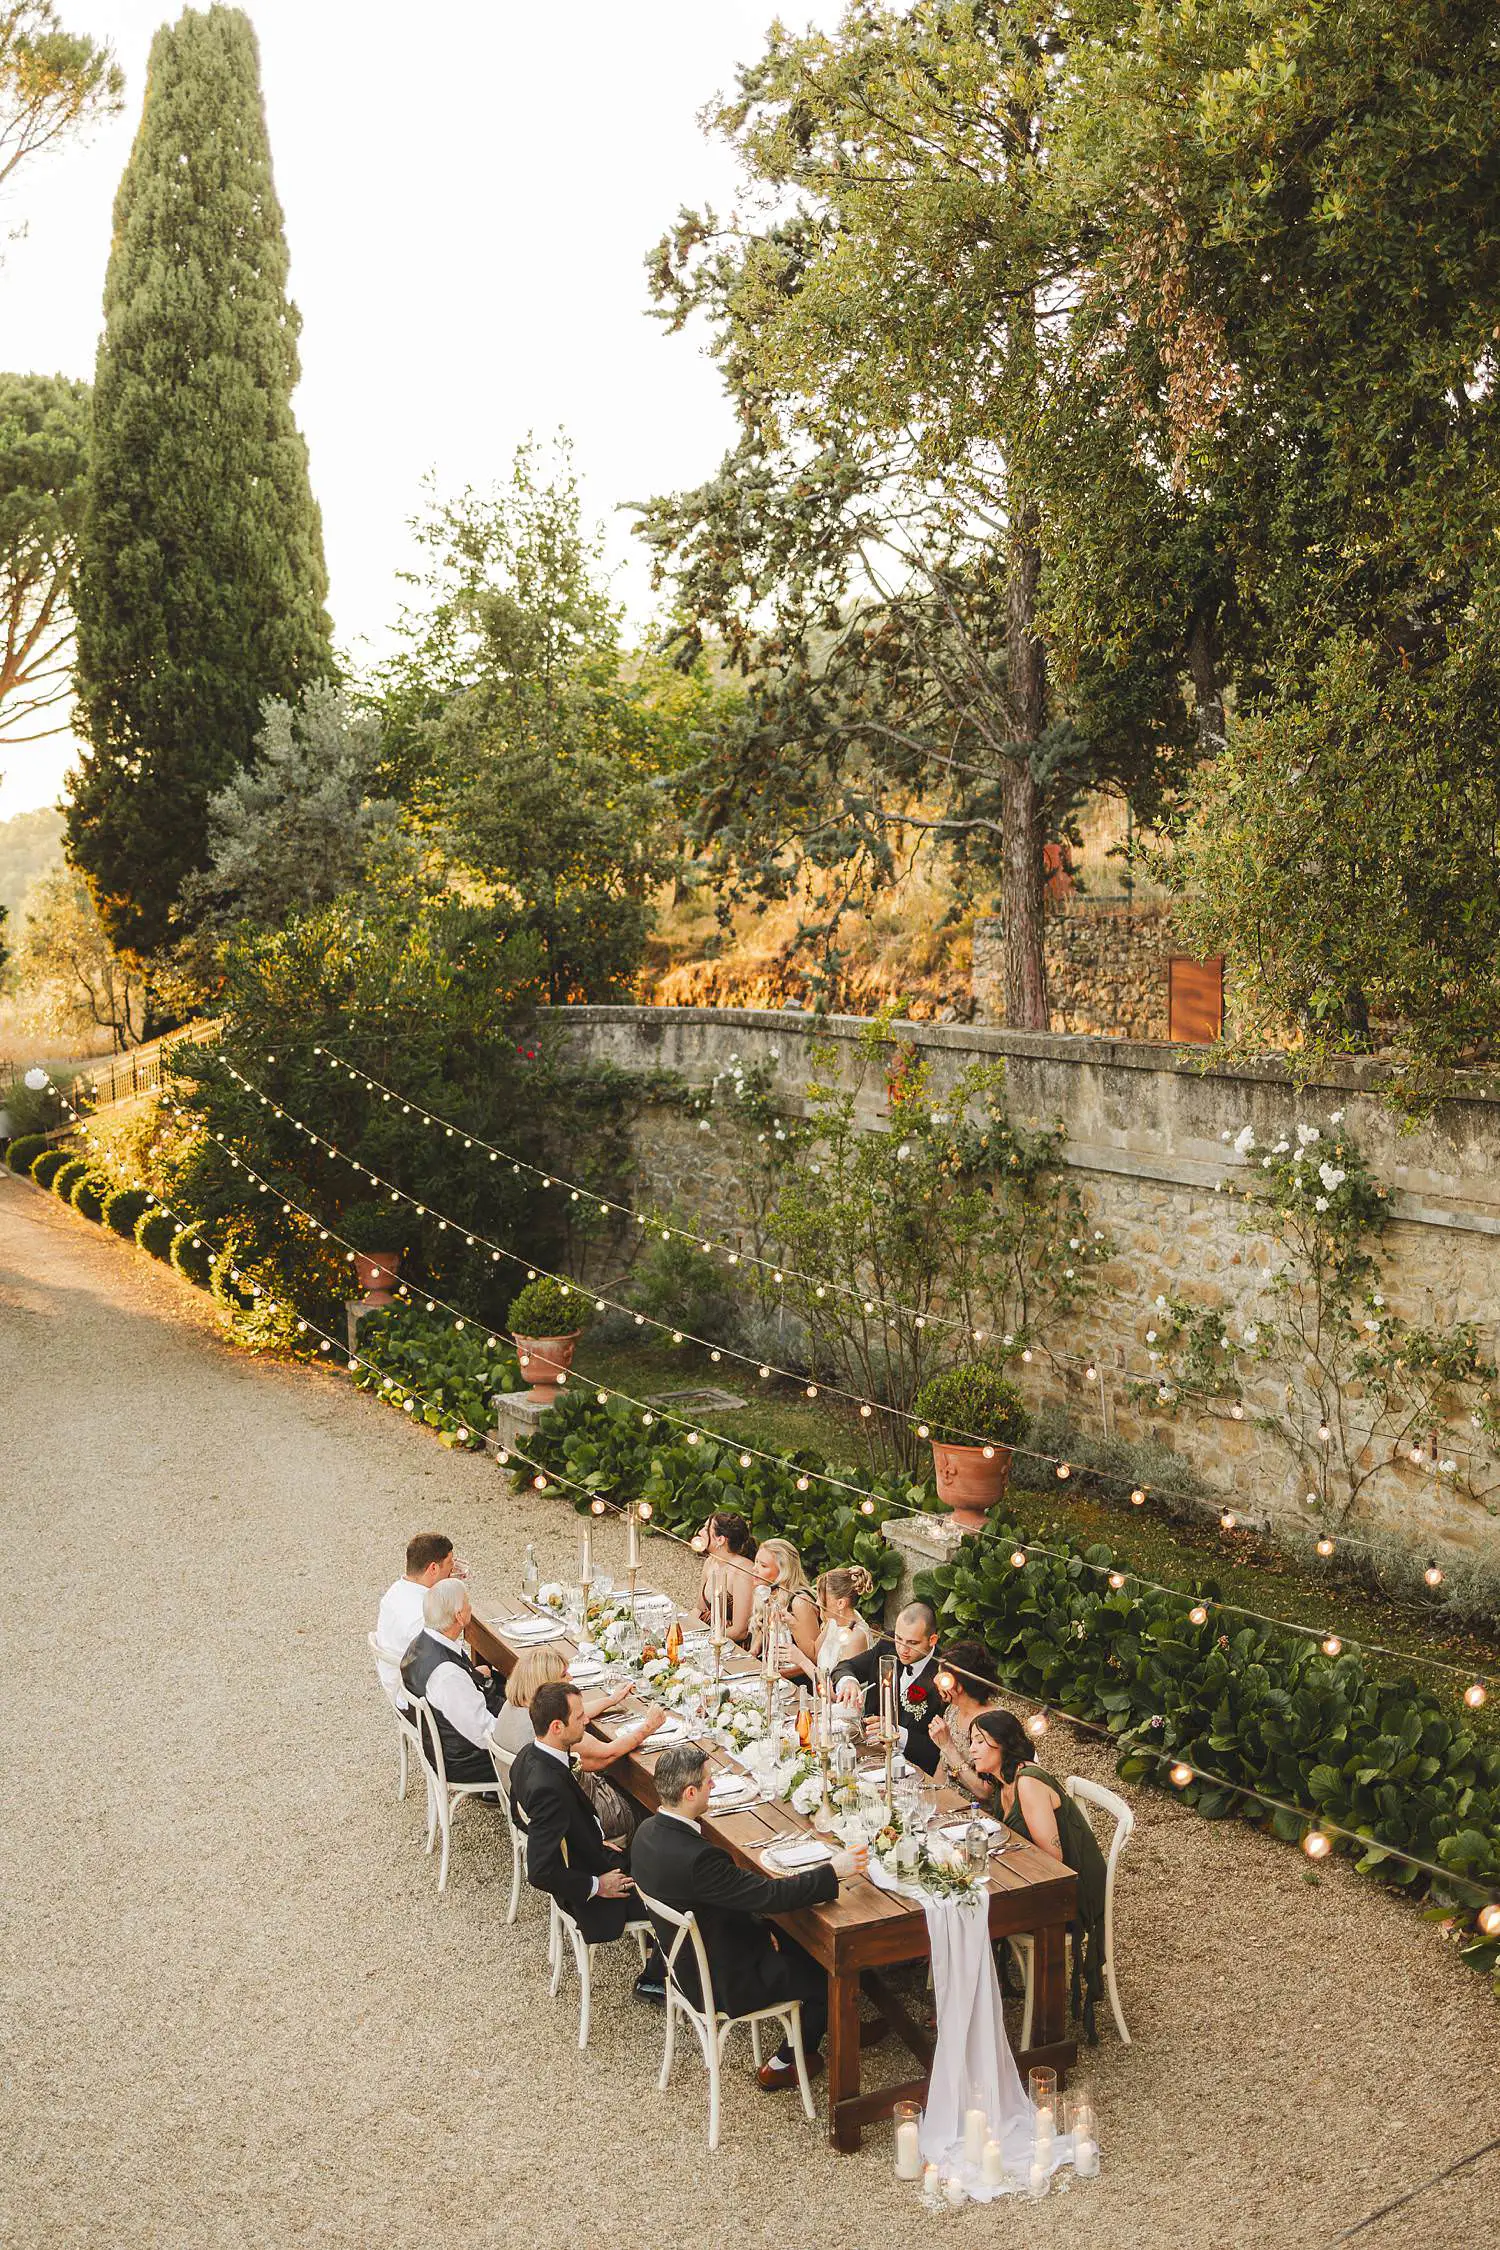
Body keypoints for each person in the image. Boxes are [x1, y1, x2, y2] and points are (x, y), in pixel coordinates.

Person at [631, 1742, 868, 2089]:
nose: (713, 1785)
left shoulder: (646, 1833)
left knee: (788, 1933)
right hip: (723, 1980)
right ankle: (791, 2058)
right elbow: (770, 1896)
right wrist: (834, 1870)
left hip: (684, 1964)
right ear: (690, 1792)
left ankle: (846, 2022)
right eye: (709, 1781)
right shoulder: (700, 1860)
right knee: (828, 1973)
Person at [509, 1682, 662, 1997]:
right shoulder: (546, 1787)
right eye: (578, 1717)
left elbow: (517, 1814)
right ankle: (655, 1977)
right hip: (593, 1893)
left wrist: (586, 1840)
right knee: (678, 1888)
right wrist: (596, 1885)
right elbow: (538, 1871)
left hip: (595, 1855)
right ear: (557, 1726)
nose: (585, 1721)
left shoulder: (528, 1755)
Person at [969, 1709, 1108, 2041]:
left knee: (970, 1913)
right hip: (1034, 1879)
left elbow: (1054, 1859)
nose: (972, 1748)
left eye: (979, 1742)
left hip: (1069, 1895)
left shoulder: (1028, 1783)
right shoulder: (1002, 1783)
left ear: (1002, 1745)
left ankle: (981, 2018)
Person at [491, 1643, 666, 1845]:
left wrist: (611, 1700)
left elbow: (571, 1715)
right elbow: (607, 1754)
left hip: (525, 1808)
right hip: (575, 1819)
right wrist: (649, 1727)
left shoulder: (516, 1706)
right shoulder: (552, 1735)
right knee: (647, 1803)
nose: (571, 1678)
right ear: (546, 1685)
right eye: (564, 1675)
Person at [399, 1577, 504, 1785]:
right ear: (459, 1616)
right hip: (467, 1762)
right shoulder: (447, 1675)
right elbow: (485, 1733)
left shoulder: (421, 1642)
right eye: (468, 1604)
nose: (471, 1607)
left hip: (448, 1741)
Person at [830, 1599, 944, 1775]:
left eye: (913, 1643)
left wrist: (898, 1733)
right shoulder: (887, 1646)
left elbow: (935, 1751)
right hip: (868, 1754)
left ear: (932, 1640)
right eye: (899, 1638)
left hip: (911, 1769)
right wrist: (849, 1682)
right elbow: (844, 1667)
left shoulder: (942, 1676)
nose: (902, 1649)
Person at [374, 1532, 456, 1704]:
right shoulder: (423, 1618)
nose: (453, 1569)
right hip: (419, 1700)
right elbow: (444, 1669)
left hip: (399, 1685)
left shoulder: (395, 1591)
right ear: (433, 1568)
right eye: (449, 1564)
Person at [928, 1639, 999, 1799]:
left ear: (960, 1685)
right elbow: (943, 1767)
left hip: (976, 1813)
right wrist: (932, 1797)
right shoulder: (953, 1710)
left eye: (942, 1678)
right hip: (948, 1802)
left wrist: (948, 1746)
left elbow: (985, 1792)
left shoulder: (993, 1723)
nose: (935, 1681)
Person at [748, 1538, 821, 1671]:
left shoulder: (800, 1602)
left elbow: (815, 1658)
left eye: (763, 1566)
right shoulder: (768, 1592)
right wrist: (754, 1649)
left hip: (798, 1681)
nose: (754, 1569)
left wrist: (771, 1674)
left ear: (783, 1571)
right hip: (770, 1671)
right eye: (756, 1562)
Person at [694, 1510, 758, 1645]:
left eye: (706, 1529)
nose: (700, 1532)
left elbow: (740, 1631)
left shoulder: (742, 1571)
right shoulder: (710, 1562)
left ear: (720, 1539)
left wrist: (703, 1640)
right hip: (708, 1634)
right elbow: (699, 1609)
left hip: (732, 1644)